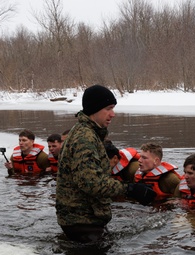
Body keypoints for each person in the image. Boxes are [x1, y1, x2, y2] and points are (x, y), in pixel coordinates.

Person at [55, 84, 156, 243]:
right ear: (95, 109)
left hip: (84, 219)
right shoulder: (84, 138)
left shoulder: (87, 132)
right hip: (82, 221)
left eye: (113, 108)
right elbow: (91, 183)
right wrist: (130, 189)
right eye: (108, 108)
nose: (113, 114)